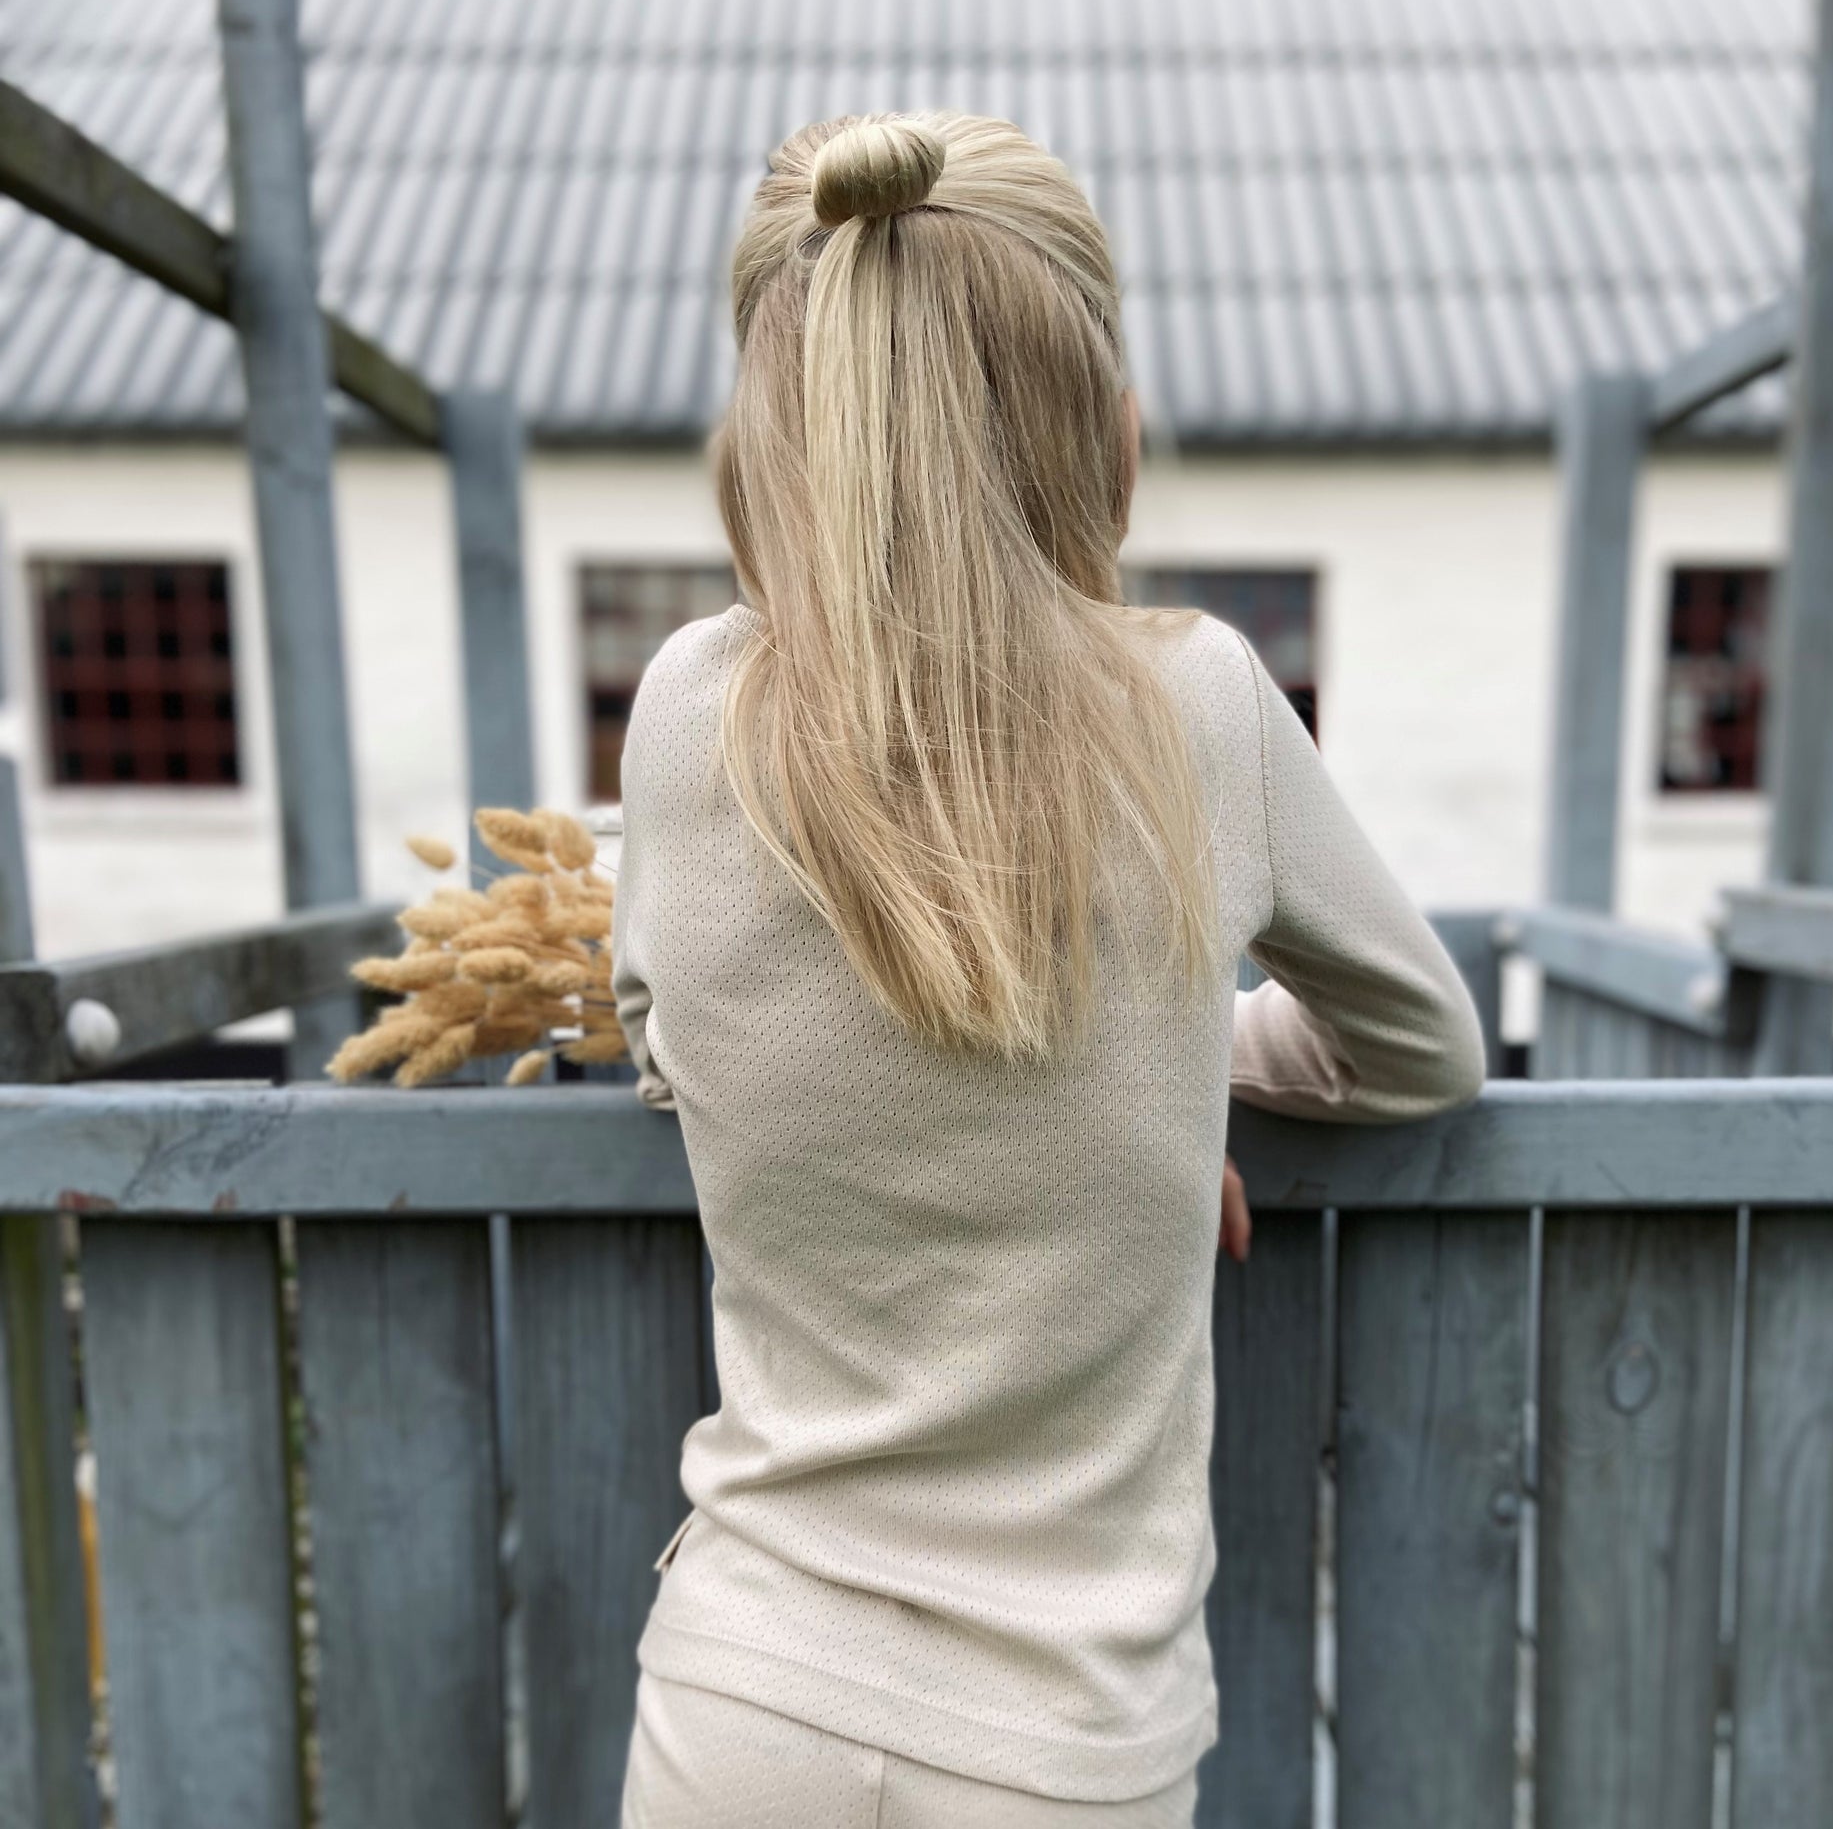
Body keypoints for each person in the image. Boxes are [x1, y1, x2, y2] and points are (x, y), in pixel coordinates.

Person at [609, 110, 1485, 1828]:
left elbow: (668, 1044)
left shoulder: (684, 707)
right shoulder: (1199, 702)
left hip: (738, 1691)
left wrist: (1134, 1074)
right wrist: (1181, 1064)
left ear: (777, 416)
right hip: (1061, 1736)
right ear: (1102, 415)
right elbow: (1417, 1045)